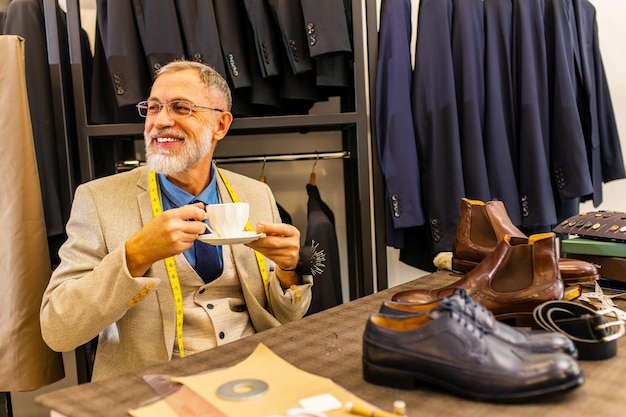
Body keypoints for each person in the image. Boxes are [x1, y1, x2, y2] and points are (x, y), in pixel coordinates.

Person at [40, 60, 313, 381]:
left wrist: (289, 272)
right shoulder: (98, 200)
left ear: (221, 125)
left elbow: (288, 317)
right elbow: (58, 330)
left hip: (254, 374)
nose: (161, 121)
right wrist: (135, 257)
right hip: (152, 386)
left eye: (180, 108)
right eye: (153, 108)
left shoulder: (255, 194)